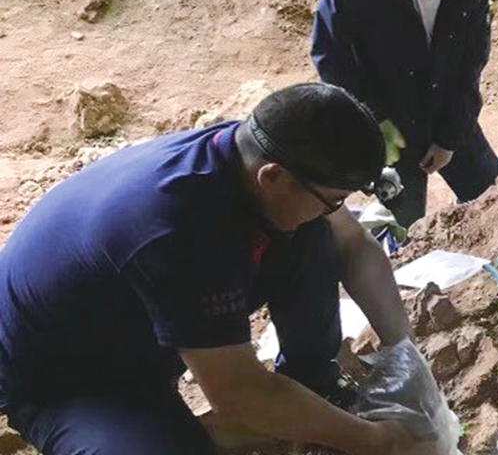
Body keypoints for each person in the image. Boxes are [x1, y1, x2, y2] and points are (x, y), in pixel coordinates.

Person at [0, 83, 420, 455]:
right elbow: (238, 391)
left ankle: (312, 384)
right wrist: (378, 443)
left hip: (143, 319)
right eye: (334, 198)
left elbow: (352, 244)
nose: (337, 208)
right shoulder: (179, 226)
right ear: (272, 178)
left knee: (314, 234)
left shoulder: (258, 149)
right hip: (70, 375)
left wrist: (406, 353)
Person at [312, 0, 498, 230]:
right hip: (391, 129)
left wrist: (450, 136)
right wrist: (370, 123)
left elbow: (471, 64)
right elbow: (331, 58)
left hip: (448, 112)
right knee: (405, 228)